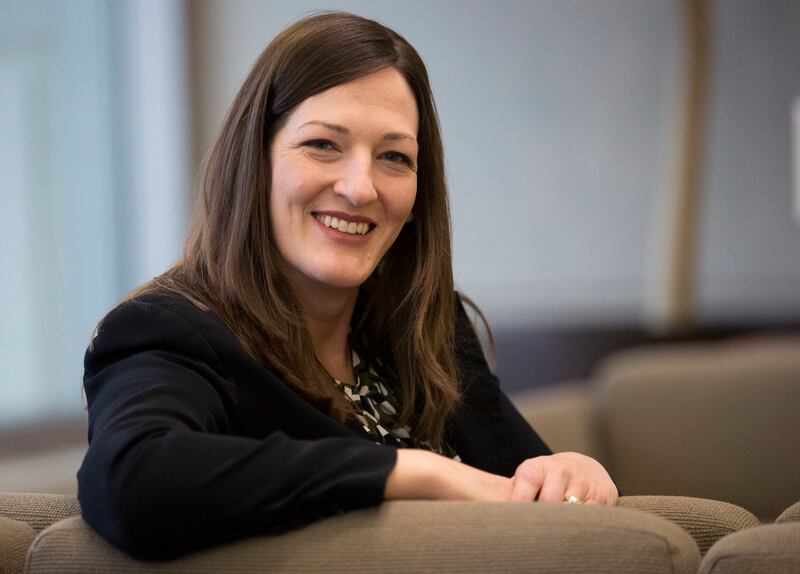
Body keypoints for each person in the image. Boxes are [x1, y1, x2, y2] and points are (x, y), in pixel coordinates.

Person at [77, 11, 617, 561]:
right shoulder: (170, 329)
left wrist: (571, 470)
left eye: (393, 157)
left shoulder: (421, 323)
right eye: (323, 145)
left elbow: (525, 487)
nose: (360, 188)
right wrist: (414, 473)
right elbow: (131, 481)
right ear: (255, 160)